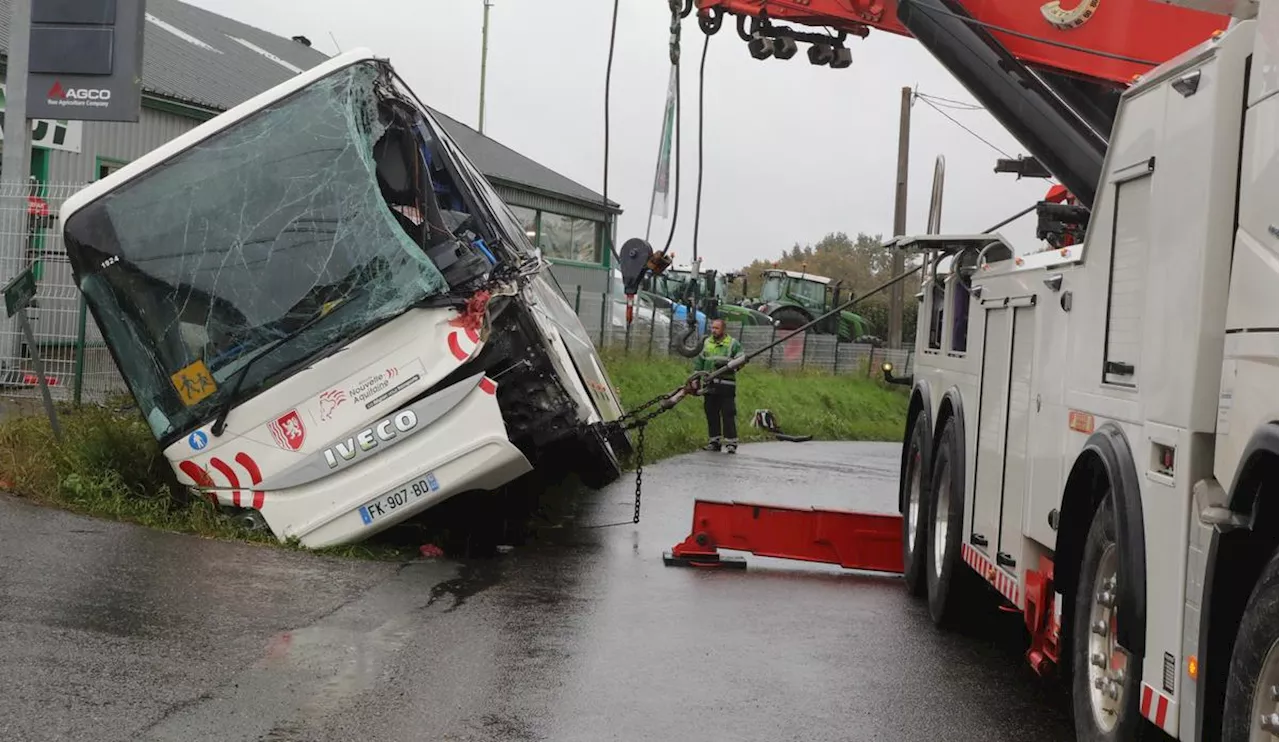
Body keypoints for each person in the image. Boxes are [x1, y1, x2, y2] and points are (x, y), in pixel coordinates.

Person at [692, 318, 745, 453]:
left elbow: (741, 360)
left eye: (716, 328)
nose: (713, 330)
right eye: (712, 328)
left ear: (723, 329)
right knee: (711, 413)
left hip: (726, 384)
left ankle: (731, 442)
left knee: (728, 413)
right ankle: (714, 441)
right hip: (709, 385)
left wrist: (731, 367)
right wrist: (695, 379)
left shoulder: (733, 344)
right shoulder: (706, 343)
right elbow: (699, 363)